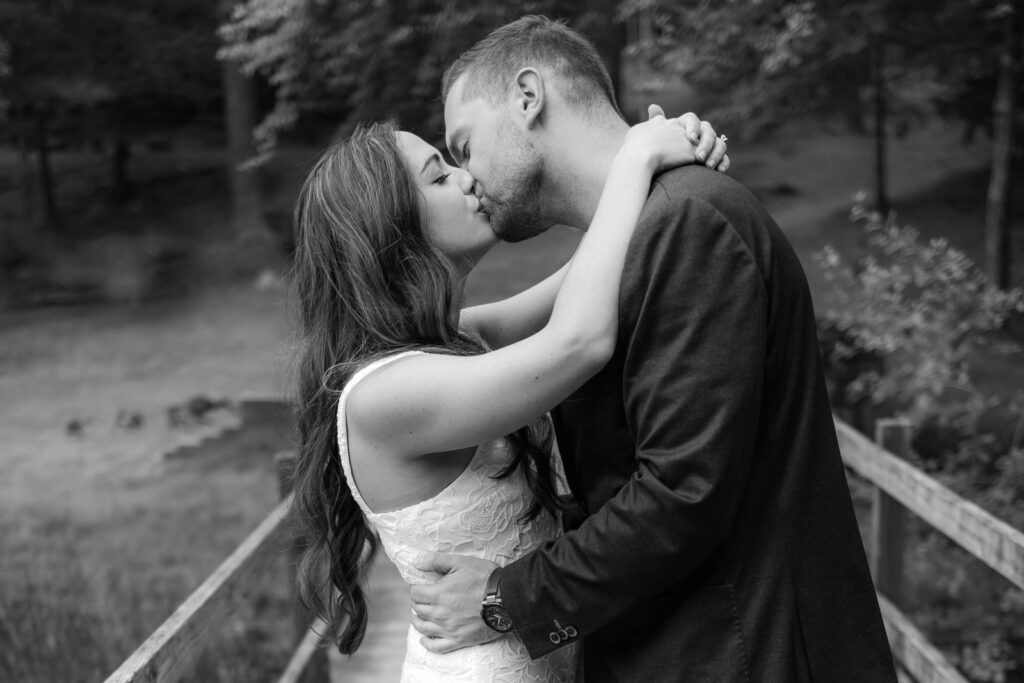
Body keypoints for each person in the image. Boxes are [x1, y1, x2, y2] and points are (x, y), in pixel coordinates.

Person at [409, 15, 899, 683]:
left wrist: (504, 597)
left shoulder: (688, 223)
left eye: (464, 146)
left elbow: (684, 492)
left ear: (528, 98)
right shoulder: (643, 232)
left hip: (747, 654)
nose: (468, 177)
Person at [288, 108, 729, 682]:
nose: (467, 176)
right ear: (390, 230)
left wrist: (671, 168)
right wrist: (637, 157)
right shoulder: (383, 395)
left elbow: (591, 275)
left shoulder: (458, 340)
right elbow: (580, 342)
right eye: (439, 176)